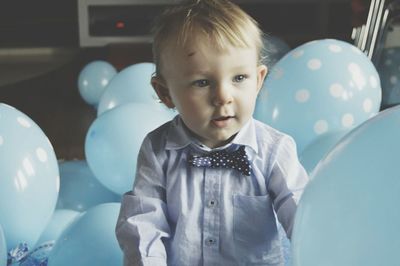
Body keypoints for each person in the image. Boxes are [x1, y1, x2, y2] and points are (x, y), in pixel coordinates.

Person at [115, 0, 309, 265]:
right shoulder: (158, 149)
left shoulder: (274, 149)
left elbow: (303, 215)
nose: (223, 97)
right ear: (165, 93)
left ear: (259, 80)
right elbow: (143, 223)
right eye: (202, 82)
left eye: (239, 78)